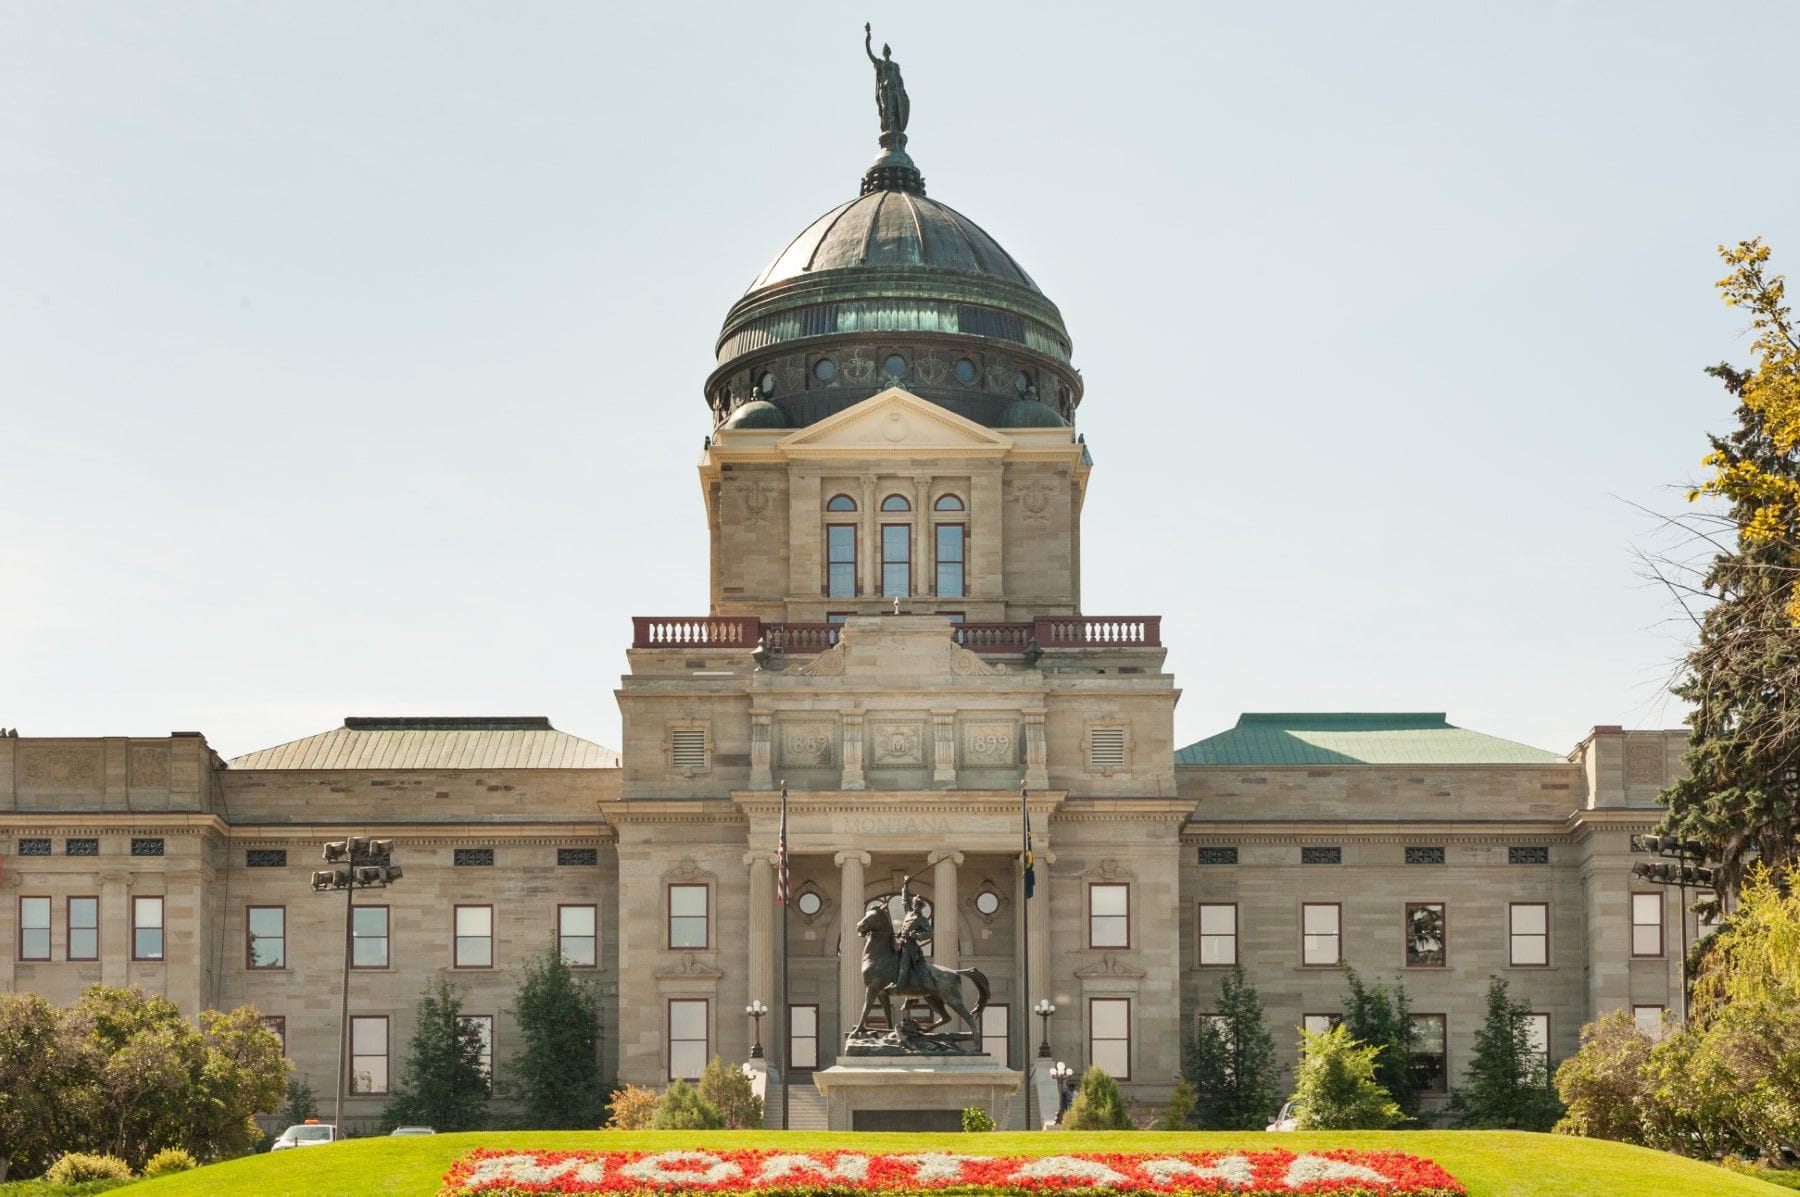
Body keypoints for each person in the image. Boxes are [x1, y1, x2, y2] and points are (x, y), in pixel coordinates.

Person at [864, 23, 909, 139]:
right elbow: (870, 54)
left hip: (894, 90)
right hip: (884, 90)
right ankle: (889, 128)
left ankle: (895, 128)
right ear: (884, 53)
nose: (886, 51)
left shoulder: (895, 65)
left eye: (887, 50)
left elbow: (900, 80)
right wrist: (868, 38)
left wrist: (902, 94)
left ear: (889, 52)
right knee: (886, 109)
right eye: (885, 50)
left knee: (895, 108)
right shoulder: (881, 63)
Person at [892, 881, 932, 991]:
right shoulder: (908, 912)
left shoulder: (921, 920)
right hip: (900, 942)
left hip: (910, 946)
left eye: (918, 906)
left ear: (920, 907)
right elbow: (905, 899)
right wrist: (905, 885)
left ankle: (899, 987)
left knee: (904, 965)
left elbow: (930, 933)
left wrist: (915, 935)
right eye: (914, 905)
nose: (915, 907)